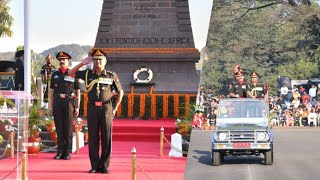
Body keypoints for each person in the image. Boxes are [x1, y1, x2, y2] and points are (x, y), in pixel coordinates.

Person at [68, 49, 124, 174]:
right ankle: (94, 165)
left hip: (106, 109)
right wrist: (82, 63)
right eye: (95, 59)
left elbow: (120, 92)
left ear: (105, 61)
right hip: (92, 109)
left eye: (100, 59)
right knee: (92, 137)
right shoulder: (87, 73)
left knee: (106, 137)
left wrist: (115, 108)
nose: (98, 61)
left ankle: (104, 165)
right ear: (92, 61)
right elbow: (71, 73)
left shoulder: (111, 75)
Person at [49, 51, 80, 160]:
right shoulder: (55, 75)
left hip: (69, 102)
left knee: (67, 129)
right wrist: (50, 106)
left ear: (68, 61)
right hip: (58, 102)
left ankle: (67, 152)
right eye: (60, 60)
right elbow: (51, 91)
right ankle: (59, 151)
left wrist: (78, 107)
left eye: (64, 60)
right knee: (59, 128)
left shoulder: (73, 74)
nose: (62, 61)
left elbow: (78, 92)